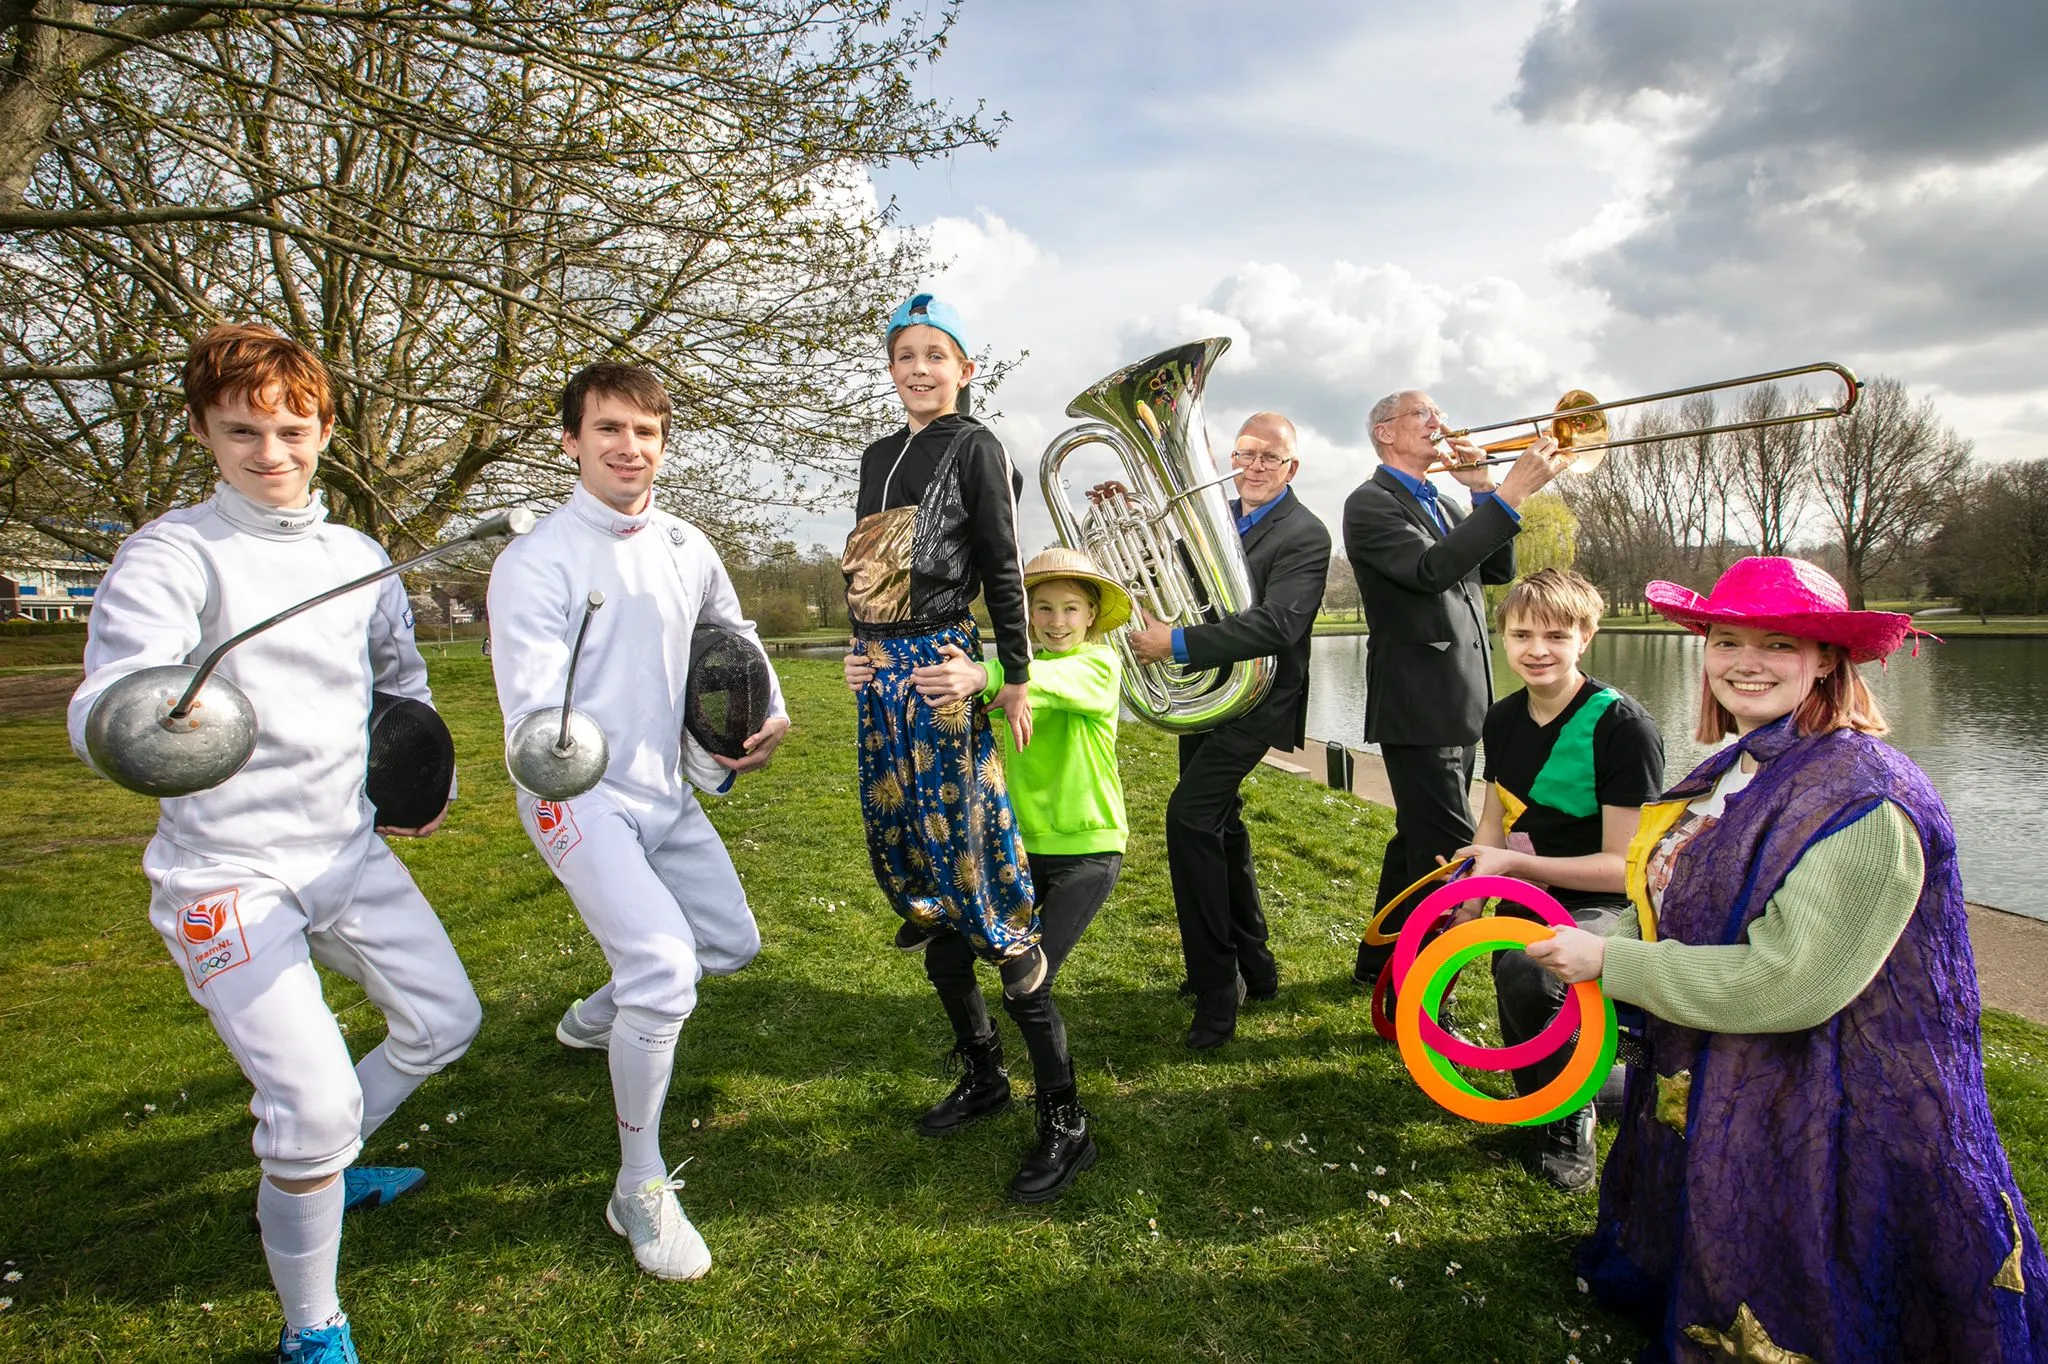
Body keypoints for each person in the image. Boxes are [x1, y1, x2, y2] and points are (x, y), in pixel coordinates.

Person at [68, 323, 480, 1364]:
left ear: (324, 430)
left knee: (444, 1021)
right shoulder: (172, 554)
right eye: (243, 430)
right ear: (203, 430)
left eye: (293, 430)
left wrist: (420, 770)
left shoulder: (357, 557)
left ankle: (326, 1169)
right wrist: (135, 716)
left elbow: (399, 682)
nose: (271, 452)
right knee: (310, 1104)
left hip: (344, 850)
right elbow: (109, 693)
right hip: (227, 872)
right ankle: (311, 1326)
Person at [1526, 557, 2048, 1361]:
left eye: (1779, 643)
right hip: (1726, 1069)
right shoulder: (1742, 763)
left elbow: (1788, 982)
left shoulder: (1869, 801)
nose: (1747, 662)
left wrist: (1612, 963)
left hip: (1835, 1101)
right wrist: (1602, 939)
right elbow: (1681, 898)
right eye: (1727, 640)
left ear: (1828, 659)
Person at [486, 362, 788, 1282]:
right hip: (575, 795)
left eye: (646, 432)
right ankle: (638, 1185)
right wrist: (572, 782)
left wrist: (767, 712)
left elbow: (734, 634)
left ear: (663, 443)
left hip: (666, 790)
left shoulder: (688, 543)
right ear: (571, 442)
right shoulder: (536, 560)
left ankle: (594, 1018)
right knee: (663, 968)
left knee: (728, 945)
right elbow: (531, 719)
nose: (629, 448)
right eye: (608, 429)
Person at [844, 546, 1131, 1201]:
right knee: (946, 956)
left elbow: (1024, 684)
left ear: (1091, 616)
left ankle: (1067, 1125)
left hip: (1087, 852)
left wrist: (986, 675)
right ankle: (986, 1079)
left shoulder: (1098, 666)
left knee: (1028, 985)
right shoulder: (1017, 672)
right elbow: (944, 693)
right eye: (1042, 608)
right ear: (1026, 615)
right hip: (1017, 846)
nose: (1057, 621)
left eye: (1071, 609)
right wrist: (872, 668)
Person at [841, 291, 1045, 1037]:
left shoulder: (978, 447)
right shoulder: (875, 456)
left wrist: (1015, 676)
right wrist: (855, 647)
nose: (919, 369)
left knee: (961, 803)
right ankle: (925, 904)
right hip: (879, 660)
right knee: (892, 800)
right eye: (905, 356)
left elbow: (1003, 567)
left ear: (964, 369)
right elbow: (864, 565)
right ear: (891, 368)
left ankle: (1011, 935)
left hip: (937, 653)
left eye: (935, 356)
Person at [1344, 390, 1573, 993]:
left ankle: (1378, 967)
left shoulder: (1443, 501)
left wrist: (1482, 493)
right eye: (1424, 414)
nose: (1439, 423)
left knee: (1416, 841)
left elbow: (1495, 571)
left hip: (1460, 699)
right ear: (1386, 432)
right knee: (1450, 853)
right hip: (1418, 704)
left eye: (1438, 414)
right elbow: (1429, 571)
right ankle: (1422, 998)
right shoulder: (1369, 502)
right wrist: (1510, 495)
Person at [1442, 568, 1663, 1191]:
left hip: (1605, 901)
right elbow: (1494, 820)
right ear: (1503, 638)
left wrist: (1513, 868)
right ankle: (1581, 1088)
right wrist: (1468, 898)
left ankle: (1571, 1117)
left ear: (1585, 638)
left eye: (1556, 636)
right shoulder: (1503, 717)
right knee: (1514, 975)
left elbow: (1623, 867)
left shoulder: (1622, 726)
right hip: (1526, 888)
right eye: (1521, 635)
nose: (1536, 650)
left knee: (1531, 970)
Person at [1121, 411, 1331, 1050]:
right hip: (1207, 693)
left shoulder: (1305, 533)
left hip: (1262, 699)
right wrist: (1128, 526)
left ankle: (1217, 985)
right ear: (1230, 459)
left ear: (1292, 468)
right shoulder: (1209, 519)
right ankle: (1256, 966)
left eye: (1271, 457)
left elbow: (1278, 625)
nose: (1255, 467)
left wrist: (1176, 643)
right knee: (1220, 822)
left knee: (1189, 817)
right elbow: (1171, 582)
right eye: (1245, 454)